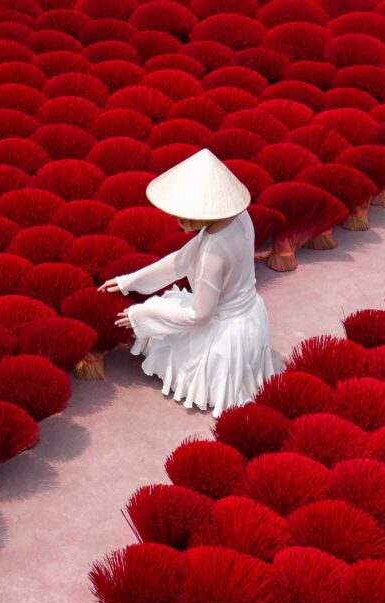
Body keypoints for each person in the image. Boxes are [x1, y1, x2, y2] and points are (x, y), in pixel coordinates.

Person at [98, 149, 277, 416]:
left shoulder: (212, 254)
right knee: (166, 309)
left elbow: (199, 316)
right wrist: (129, 281)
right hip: (251, 317)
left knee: (162, 332)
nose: (178, 220)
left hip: (225, 334)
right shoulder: (239, 217)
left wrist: (144, 313)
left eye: (185, 213)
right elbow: (180, 261)